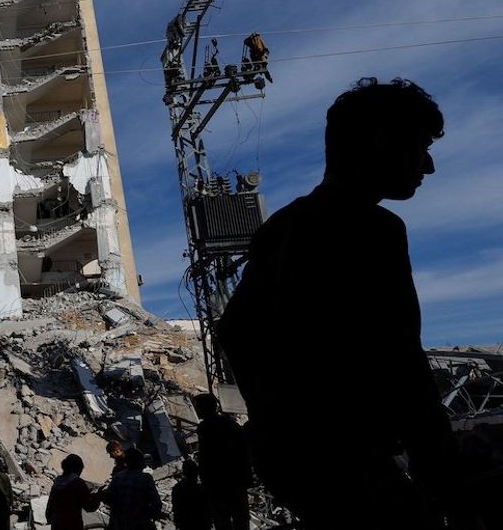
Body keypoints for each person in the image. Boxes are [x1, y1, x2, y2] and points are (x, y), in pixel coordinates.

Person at [218, 78, 476, 529]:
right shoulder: (374, 229)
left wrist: (275, 422)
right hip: (350, 462)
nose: (428, 165)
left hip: (299, 465)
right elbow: (403, 363)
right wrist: (448, 486)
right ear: (380, 140)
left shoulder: (281, 227)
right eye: (419, 145)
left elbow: (235, 331)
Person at [190, 394, 249, 530]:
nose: (196, 410)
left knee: (223, 521)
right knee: (241, 520)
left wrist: (205, 482)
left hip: (217, 485)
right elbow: (244, 451)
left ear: (203, 408)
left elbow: (207, 459)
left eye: (197, 407)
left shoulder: (206, 428)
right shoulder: (231, 424)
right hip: (237, 482)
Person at [99, 448, 160, 530]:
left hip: (119, 523)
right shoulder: (146, 478)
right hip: (138, 524)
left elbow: (108, 498)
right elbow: (156, 503)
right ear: (140, 461)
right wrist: (148, 515)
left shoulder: (118, 477)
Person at [46, 454, 100, 530]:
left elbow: (49, 508)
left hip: (56, 525)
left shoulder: (58, 482)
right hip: (72, 525)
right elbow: (89, 507)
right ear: (77, 469)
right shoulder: (78, 483)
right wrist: (98, 497)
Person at [171, 459, 213, 530]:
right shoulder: (200, 488)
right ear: (196, 472)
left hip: (186, 524)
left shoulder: (177, 488)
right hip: (202, 523)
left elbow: (176, 509)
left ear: (183, 472)